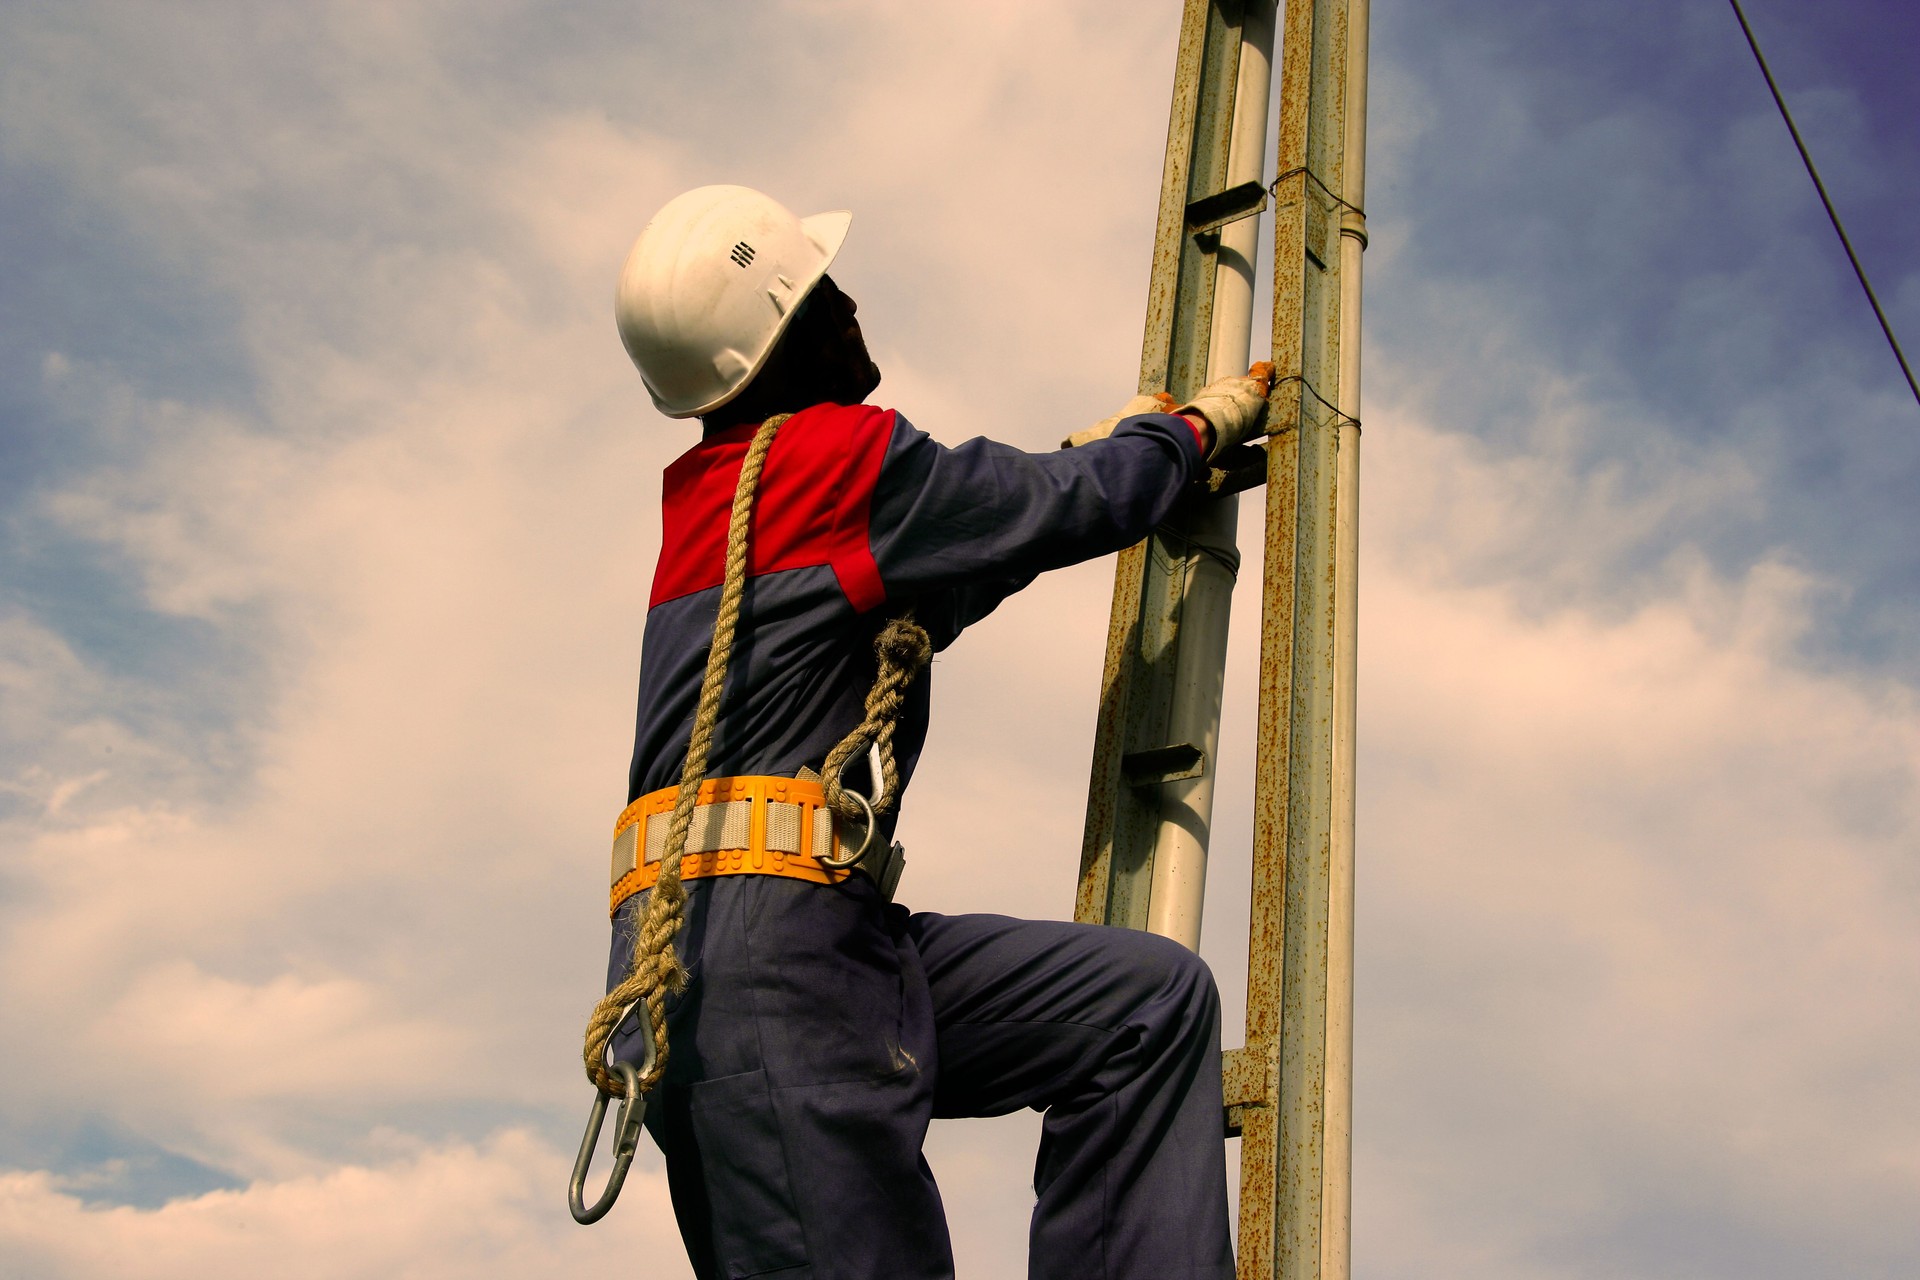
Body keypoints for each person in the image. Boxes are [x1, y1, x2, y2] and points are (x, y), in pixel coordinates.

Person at [597, 184, 1269, 1280]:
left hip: (799, 945)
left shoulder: (732, 500)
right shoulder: (831, 457)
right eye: (822, 288)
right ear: (785, 328)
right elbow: (1054, 506)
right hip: (766, 972)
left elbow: (958, 554)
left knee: (1141, 1005)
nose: (851, 301)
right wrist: (1183, 435)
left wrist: (1073, 458)